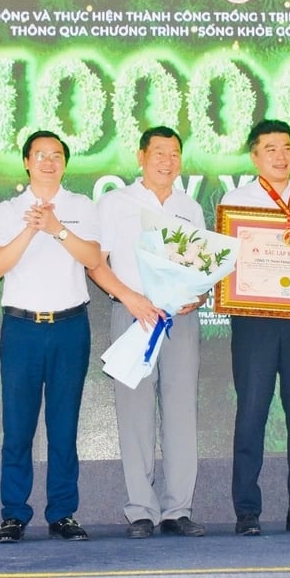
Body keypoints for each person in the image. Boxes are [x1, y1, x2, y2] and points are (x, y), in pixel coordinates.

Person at [88, 126, 207, 539]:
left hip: (180, 320)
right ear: (141, 157)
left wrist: (198, 297)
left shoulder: (189, 207)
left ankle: (178, 509)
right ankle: (141, 509)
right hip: (133, 316)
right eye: (159, 152)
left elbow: (200, 270)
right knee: (135, 415)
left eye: (174, 153)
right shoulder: (113, 203)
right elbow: (95, 264)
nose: (167, 160)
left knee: (181, 412)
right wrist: (131, 298)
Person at [0, 130, 101, 543]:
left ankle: (62, 513)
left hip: (70, 326)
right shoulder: (7, 210)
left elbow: (93, 259)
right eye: (40, 155)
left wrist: (56, 228)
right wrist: (31, 229)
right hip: (21, 328)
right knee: (17, 426)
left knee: (63, 425)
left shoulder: (81, 206)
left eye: (56, 155)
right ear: (27, 162)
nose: (48, 162)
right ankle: (14, 514)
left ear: (65, 164)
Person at [220, 119, 290, 536]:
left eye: (286, 147)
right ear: (254, 155)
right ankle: (247, 510)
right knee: (251, 413)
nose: (281, 156)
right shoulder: (237, 200)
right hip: (255, 321)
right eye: (271, 149)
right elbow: (225, 262)